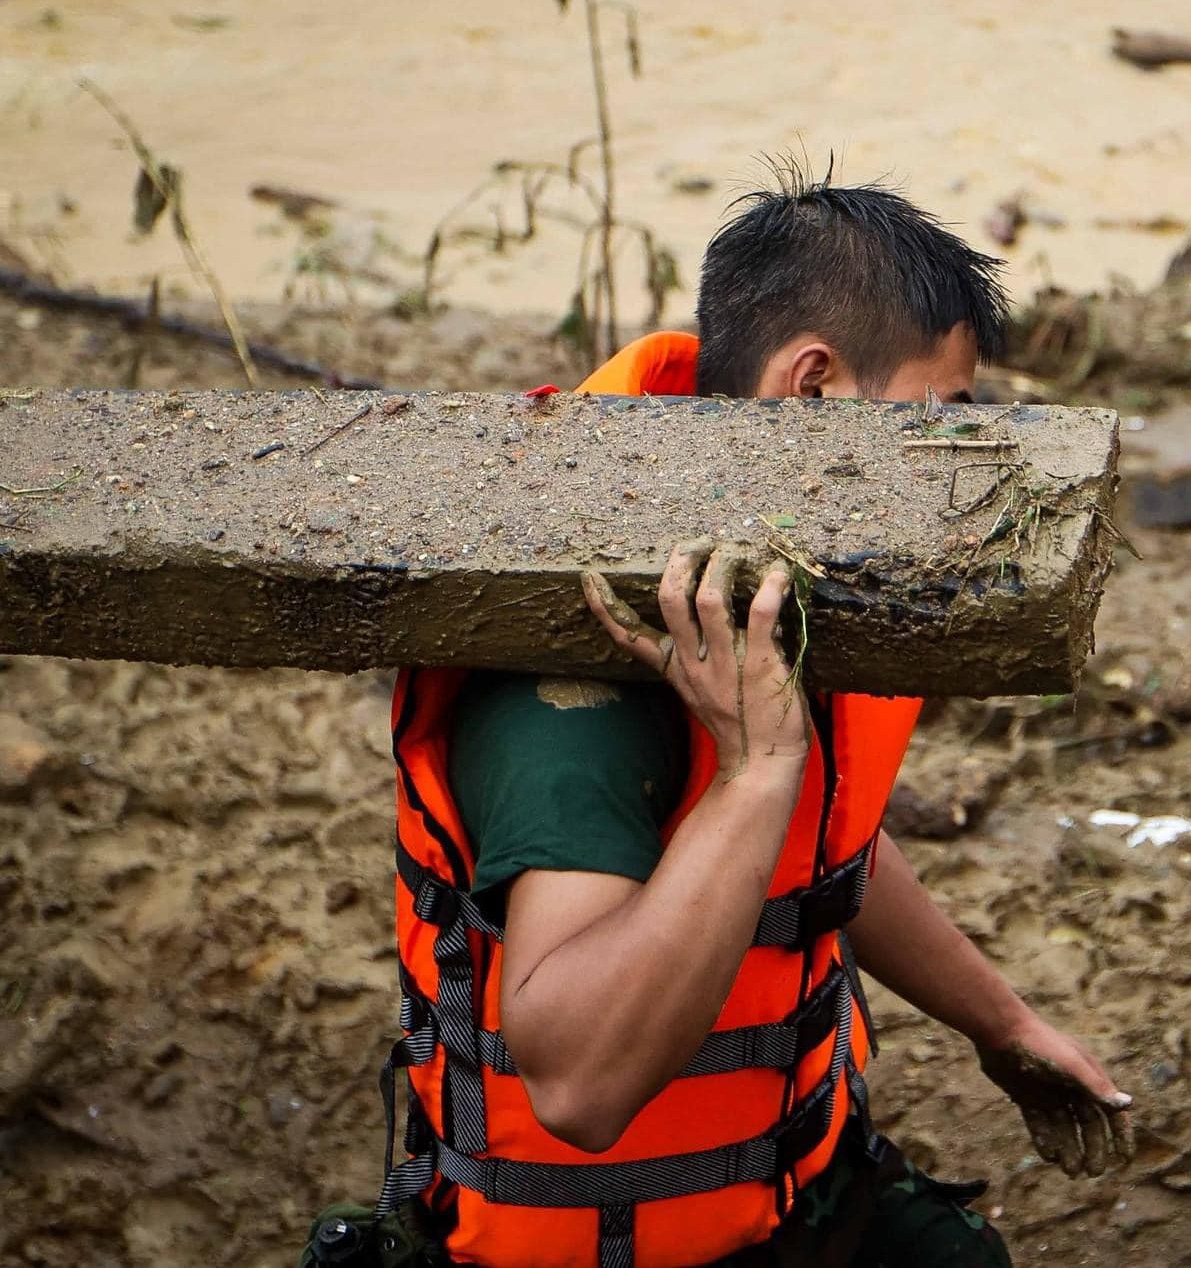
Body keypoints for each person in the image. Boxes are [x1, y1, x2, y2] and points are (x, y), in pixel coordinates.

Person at [374, 174, 1133, 1268]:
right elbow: (577, 1083)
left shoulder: (766, 563)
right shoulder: (577, 685)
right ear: (812, 386)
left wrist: (1000, 1023)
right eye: (931, 416)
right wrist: (752, 772)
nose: (950, 463)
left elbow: (824, 844)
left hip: (790, 1180)